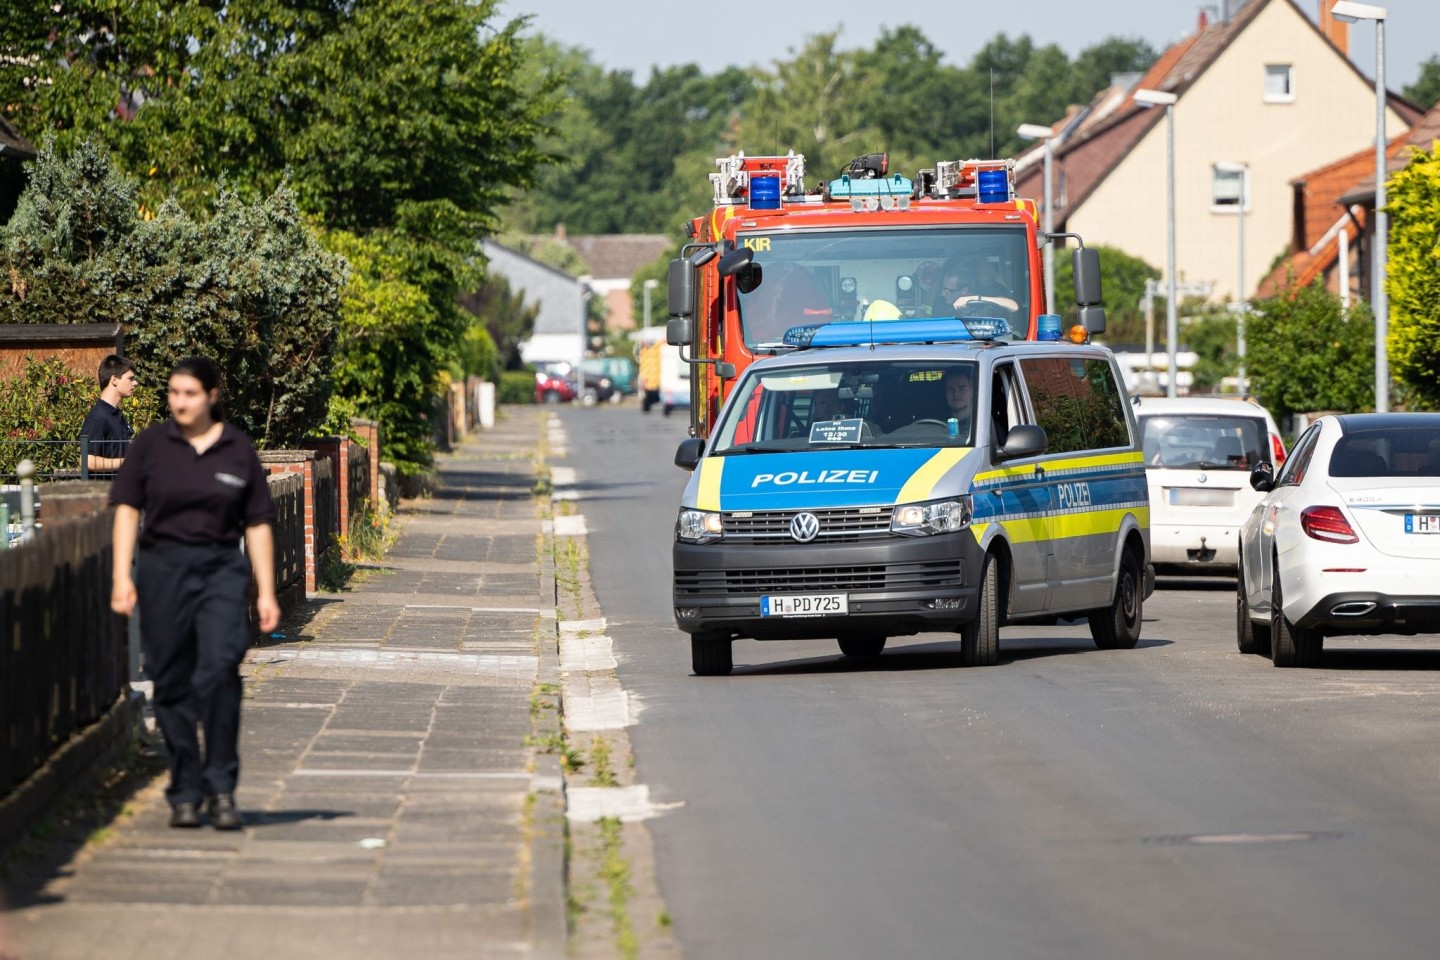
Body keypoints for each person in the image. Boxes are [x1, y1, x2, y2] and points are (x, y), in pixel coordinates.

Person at [110, 356, 280, 831]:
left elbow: (259, 523)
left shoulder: (236, 450)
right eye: (173, 393)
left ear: (212, 396)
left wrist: (265, 592)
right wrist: (122, 576)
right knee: (172, 681)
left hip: (221, 571)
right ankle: (185, 789)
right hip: (163, 571)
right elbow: (126, 509)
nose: (179, 402)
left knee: (221, 671)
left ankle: (221, 787)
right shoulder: (150, 447)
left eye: (189, 393)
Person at [79, 354, 137, 473]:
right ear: (114, 380)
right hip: (103, 490)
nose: (135, 383)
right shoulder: (98, 417)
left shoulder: (116, 415)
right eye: (130, 379)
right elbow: (87, 460)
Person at [932, 255, 1020, 315]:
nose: (942, 294)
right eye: (942, 289)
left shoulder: (984, 303)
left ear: (964, 291)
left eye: (947, 291)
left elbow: (1013, 306)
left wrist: (975, 299)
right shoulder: (940, 305)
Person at [942, 367, 976, 442]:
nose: (956, 394)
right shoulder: (936, 422)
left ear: (972, 391)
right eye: (951, 389)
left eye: (962, 389)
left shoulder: (981, 423)